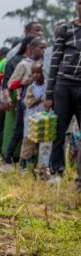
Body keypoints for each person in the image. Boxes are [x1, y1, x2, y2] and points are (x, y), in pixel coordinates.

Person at [46, 0, 81, 189]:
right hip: (64, 85)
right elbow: (54, 62)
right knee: (59, 131)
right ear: (76, 5)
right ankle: (56, 171)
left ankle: (79, 181)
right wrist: (49, 95)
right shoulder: (66, 30)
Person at [0, 37, 46, 173]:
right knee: (20, 131)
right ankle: (8, 158)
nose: (43, 50)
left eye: (45, 48)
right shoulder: (23, 64)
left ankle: (36, 164)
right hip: (26, 101)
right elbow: (11, 83)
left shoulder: (44, 64)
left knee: (39, 133)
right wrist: (26, 81)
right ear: (31, 48)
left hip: (41, 103)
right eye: (41, 48)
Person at [20, 62, 47, 173]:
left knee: (42, 143)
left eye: (38, 72)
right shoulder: (31, 87)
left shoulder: (47, 86)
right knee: (28, 143)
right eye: (33, 73)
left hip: (44, 119)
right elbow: (29, 103)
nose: (36, 75)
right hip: (31, 119)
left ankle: (38, 167)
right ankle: (23, 166)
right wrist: (40, 99)